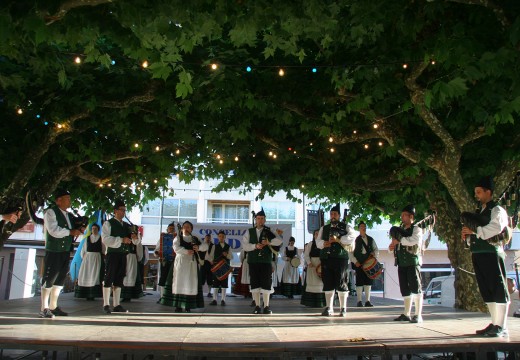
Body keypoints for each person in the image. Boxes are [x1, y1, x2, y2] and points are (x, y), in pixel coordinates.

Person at [461, 176, 510, 337]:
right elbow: (476, 231)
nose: (477, 195)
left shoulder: (497, 210)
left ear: (488, 192)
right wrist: (467, 235)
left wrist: (475, 231)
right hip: (478, 253)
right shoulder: (479, 211)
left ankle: (501, 325)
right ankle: (495, 323)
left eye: (479, 192)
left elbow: (495, 228)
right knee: (487, 290)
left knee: (498, 288)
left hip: (492, 253)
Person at [39, 189, 85, 318]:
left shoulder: (68, 215)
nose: (69, 201)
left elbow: (72, 228)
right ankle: (44, 307)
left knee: (59, 279)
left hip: (65, 250)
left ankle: (53, 306)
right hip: (54, 250)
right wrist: (70, 232)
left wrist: (79, 228)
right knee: (49, 278)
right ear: (58, 200)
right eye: (67, 198)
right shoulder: (50, 212)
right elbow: (54, 230)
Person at [316, 204, 356, 317]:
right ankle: (329, 308)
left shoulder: (346, 227)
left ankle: (343, 308)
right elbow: (317, 241)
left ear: (338, 215)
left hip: (340, 259)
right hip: (326, 258)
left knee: (341, 283)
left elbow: (353, 236)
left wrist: (338, 239)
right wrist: (324, 243)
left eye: (335, 214)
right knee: (327, 283)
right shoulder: (324, 228)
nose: (333, 216)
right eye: (331, 214)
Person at [101, 199, 140, 314]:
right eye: (122, 210)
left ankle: (117, 304)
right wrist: (121, 240)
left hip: (123, 254)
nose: (123, 213)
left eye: (124, 210)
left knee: (119, 279)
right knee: (109, 278)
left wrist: (135, 236)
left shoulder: (127, 226)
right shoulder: (108, 223)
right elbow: (105, 239)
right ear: (115, 211)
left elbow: (136, 242)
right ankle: (106, 304)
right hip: (112, 254)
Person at [242, 208, 283, 314]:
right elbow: (245, 246)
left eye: (262, 219)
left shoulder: (269, 230)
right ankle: (257, 306)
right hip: (253, 261)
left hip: (265, 262)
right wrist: (255, 246)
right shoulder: (249, 231)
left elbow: (279, 241)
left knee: (266, 283)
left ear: (265, 220)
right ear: (255, 219)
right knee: (254, 284)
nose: (260, 220)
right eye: (258, 218)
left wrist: (268, 242)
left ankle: (266, 306)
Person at [389, 205, 424, 323]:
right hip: (401, 263)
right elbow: (394, 245)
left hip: (412, 263)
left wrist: (400, 240)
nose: (402, 217)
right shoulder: (399, 229)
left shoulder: (417, 229)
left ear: (411, 216)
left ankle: (418, 315)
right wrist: (391, 246)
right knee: (405, 289)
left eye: (404, 215)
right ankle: (406, 313)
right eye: (402, 215)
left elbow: (413, 241)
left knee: (416, 288)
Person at [171, 221, 208, 312]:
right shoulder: (178, 238)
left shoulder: (195, 238)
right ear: (182, 228)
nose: (186, 229)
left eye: (188, 227)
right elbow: (175, 248)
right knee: (179, 281)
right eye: (184, 227)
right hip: (181, 262)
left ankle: (188, 305)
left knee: (190, 282)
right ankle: (178, 306)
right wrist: (186, 251)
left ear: (191, 229)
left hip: (191, 263)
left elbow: (205, 246)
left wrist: (198, 248)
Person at [351, 221, 379, 308]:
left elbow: (376, 249)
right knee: (359, 282)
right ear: (359, 229)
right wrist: (355, 261)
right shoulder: (355, 240)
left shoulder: (371, 239)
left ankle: (367, 301)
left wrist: (375, 254)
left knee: (368, 282)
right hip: (359, 264)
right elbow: (350, 252)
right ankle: (359, 301)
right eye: (362, 226)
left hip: (368, 265)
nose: (363, 228)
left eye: (364, 226)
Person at [75, 223, 104, 300]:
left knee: (95, 275)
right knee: (86, 274)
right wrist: (84, 258)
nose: (94, 230)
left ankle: (92, 294)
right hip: (88, 259)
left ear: (98, 230)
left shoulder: (101, 238)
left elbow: (104, 249)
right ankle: (85, 293)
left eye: (96, 229)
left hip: (96, 258)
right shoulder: (87, 238)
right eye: (93, 228)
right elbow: (83, 249)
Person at [300, 229, 326, 308]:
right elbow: (306, 255)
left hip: (321, 264)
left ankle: (321, 302)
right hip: (312, 265)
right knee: (311, 282)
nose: (317, 235)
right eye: (316, 234)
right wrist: (309, 262)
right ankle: (311, 302)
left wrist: (323, 263)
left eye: (318, 234)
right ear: (314, 235)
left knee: (320, 283)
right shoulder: (310, 244)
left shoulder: (323, 244)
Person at [207, 230, 233, 305]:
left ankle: (223, 300)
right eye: (220, 236)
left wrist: (226, 255)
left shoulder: (228, 246)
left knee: (224, 284)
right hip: (217, 267)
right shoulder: (214, 246)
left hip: (225, 268)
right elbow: (211, 256)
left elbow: (231, 257)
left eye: (223, 236)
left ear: (225, 237)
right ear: (218, 237)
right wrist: (211, 261)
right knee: (215, 283)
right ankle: (214, 300)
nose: (221, 238)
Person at [154, 222, 176, 300]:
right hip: (165, 261)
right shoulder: (162, 238)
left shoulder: (178, 238)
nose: (171, 230)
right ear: (167, 229)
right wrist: (157, 254)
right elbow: (156, 250)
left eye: (173, 229)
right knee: (163, 279)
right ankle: (162, 297)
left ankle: (172, 297)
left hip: (175, 262)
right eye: (170, 228)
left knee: (174, 279)